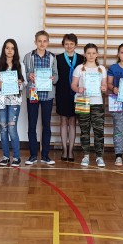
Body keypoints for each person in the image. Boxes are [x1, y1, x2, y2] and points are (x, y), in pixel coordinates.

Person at [23, 30, 59, 165]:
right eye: (39, 41)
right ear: (35, 42)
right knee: (32, 125)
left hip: (47, 95)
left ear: (48, 42)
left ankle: (45, 155)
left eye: (44, 41)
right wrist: (29, 76)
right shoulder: (28, 56)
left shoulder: (52, 57)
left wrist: (53, 78)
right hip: (33, 94)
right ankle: (33, 155)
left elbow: (56, 75)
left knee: (46, 125)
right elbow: (23, 74)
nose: (42, 43)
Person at [71, 43, 107, 168]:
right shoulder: (79, 68)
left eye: (93, 53)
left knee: (98, 131)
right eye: (88, 53)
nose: (91, 55)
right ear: (85, 54)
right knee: (84, 130)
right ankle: (86, 155)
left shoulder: (101, 69)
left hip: (97, 103)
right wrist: (78, 89)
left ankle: (99, 156)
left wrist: (104, 88)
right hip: (82, 102)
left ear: (97, 54)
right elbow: (73, 85)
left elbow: (104, 86)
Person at [0, 39, 25, 167]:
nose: (10, 50)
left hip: (14, 100)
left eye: (12, 48)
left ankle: (16, 157)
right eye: (7, 48)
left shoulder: (20, 65)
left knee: (12, 128)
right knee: (3, 128)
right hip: (1, 100)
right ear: (4, 49)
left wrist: (20, 83)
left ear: (15, 50)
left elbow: (24, 84)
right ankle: (6, 156)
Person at [55, 33, 80, 162]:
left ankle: (71, 150)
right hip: (62, 93)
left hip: (76, 94)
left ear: (75, 45)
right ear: (63, 45)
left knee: (73, 122)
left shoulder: (81, 58)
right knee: (63, 121)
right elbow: (54, 75)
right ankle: (64, 149)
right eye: (66, 44)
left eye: (71, 44)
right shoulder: (58, 58)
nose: (69, 46)